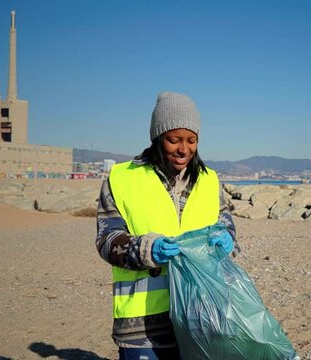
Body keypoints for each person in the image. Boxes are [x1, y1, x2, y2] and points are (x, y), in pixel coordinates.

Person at [95, 91, 239, 360]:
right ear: (157, 137)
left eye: (192, 140)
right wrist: (146, 249)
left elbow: (226, 225)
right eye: (174, 140)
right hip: (143, 324)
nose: (184, 149)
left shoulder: (209, 180)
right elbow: (106, 240)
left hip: (201, 316)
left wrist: (227, 240)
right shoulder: (122, 178)